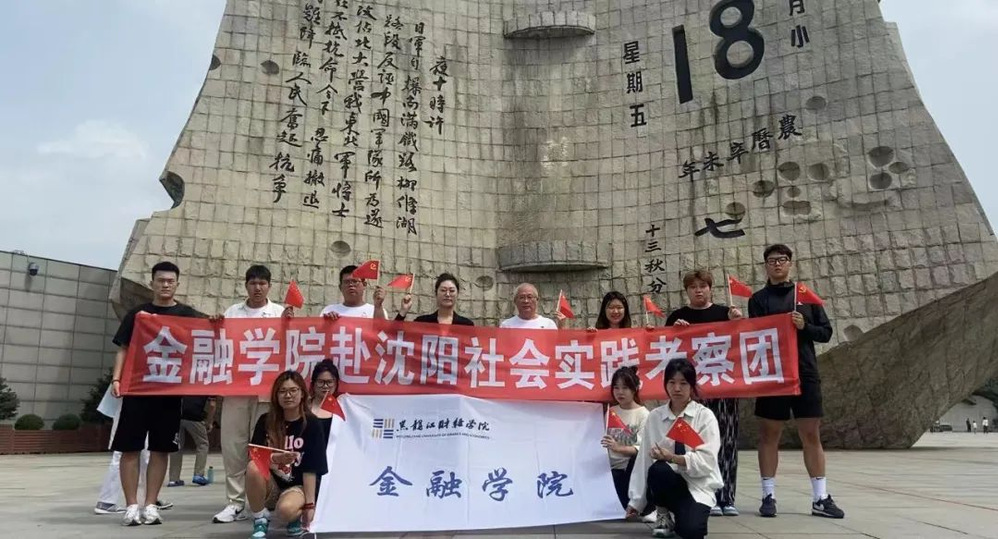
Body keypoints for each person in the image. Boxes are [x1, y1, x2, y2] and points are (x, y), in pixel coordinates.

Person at [749, 244, 843, 519]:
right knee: (769, 434)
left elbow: (825, 333)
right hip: (773, 374)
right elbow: (754, 333)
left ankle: (820, 497)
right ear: (766, 266)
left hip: (805, 372)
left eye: (782, 259)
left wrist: (805, 326)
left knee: (811, 434)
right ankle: (768, 495)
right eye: (771, 261)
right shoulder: (758, 299)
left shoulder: (805, 296)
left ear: (790, 263)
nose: (777, 264)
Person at [110, 261, 203, 526]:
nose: (165, 285)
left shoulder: (186, 315)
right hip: (137, 390)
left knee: (161, 450)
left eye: (170, 281)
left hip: (169, 394)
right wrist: (116, 378)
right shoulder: (138, 315)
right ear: (152, 283)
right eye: (161, 280)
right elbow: (123, 348)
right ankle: (131, 506)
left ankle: (150, 504)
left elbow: (205, 340)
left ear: (177, 284)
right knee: (130, 448)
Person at [213, 265, 291, 524]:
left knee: (264, 447)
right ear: (246, 285)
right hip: (237, 389)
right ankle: (234, 502)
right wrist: (215, 326)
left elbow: (292, 345)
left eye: (262, 283)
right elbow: (221, 345)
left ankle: (264, 499)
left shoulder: (280, 313)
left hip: (267, 391)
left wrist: (291, 323)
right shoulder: (233, 313)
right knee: (233, 445)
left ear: (269, 286)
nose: (257, 288)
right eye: (253, 283)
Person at [665, 270, 743, 517]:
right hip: (692, 393)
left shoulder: (725, 313)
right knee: (693, 444)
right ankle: (701, 495)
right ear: (686, 291)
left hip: (724, 389)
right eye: (693, 287)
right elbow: (666, 350)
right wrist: (674, 331)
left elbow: (742, 343)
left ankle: (726, 497)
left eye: (703, 286)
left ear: (710, 288)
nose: (698, 290)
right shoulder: (677, 317)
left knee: (726, 442)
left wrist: (738, 323)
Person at [626, 358, 722, 539]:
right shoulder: (655, 417)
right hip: (666, 482)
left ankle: (685, 515)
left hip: (697, 486)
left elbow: (707, 461)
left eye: (683, 383)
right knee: (658, 469)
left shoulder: (704, 416)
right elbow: (644, 460)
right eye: (672, 382)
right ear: (665, 385)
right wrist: (636, 501)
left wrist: (673, 457)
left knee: (691, 531)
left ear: (691, 386)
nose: (677, 388)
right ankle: (662, 514)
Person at [246, 371, 328, 538]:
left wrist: (310, 506)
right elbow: (254, 455)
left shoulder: (312, 423)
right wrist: (275, 458)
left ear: (302, 393)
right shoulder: (265, 420)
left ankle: (295, 515)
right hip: (273, 483)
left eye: (293, 390)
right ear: (276, 396)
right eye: (282, 391)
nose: (288, 395)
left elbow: (312, 468)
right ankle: (260, 518)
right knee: (253, 467)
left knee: (285, 511)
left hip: (298, 486)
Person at [601, 366, 650, 510]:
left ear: (635, 389)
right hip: (610, 469)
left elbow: (641, 450)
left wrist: (618, 448)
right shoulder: (611, 411)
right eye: (616, 387)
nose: (620, 392)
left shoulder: (644, 414)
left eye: (625, 388)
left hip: (632, 470)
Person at [379, 272, 475, 325]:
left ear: (457, 294)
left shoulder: (466, 325)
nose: (447, 294)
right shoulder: (422, 322)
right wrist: (403, 311)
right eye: (443, 290)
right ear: (436, 293)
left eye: (452, 290)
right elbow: (393, 337)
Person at [167, 396, 216, 487]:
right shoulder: (208, 386)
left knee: (177, 446)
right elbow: (212, 405)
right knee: (203, 444)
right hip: (194, 416)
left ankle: (173, 479)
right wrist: (209, 422)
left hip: (178, 415)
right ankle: (198, 475)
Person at [321, 265, 388, 319]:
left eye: (355, 281)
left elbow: (382, 330)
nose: (351, 285)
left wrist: (378, 306)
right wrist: (327, 323)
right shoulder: (328, 311)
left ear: (364, 285)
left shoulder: (376, 310)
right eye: (346, 282)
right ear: (340, 287)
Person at [499, 283, 565, 329]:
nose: (526, 301)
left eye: (529, 297)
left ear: (537, 300)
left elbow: (557, 344)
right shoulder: (506, 325)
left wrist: (561, 326)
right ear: (515, 301)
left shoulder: (548, 324)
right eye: (522, 297)